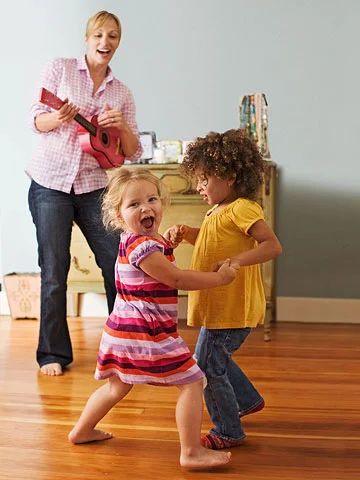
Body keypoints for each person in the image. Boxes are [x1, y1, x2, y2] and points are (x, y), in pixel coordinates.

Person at [68, 168, 237, 468]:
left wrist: (170, 241)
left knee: (117, 386)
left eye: (152, 199)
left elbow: (157, 264)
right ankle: (191, 452)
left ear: (162, 203)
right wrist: (219, 279)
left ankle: (81, 431)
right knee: (193, 382)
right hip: (146, 332)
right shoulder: (143, 246)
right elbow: (176, 279)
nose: (146, 207)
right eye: (134, 205)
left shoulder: (137, 239)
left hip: (122, 330)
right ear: (119, 216)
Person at [27, 11, 142, 376]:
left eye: (112, 37)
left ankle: (122, 346)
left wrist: (120, 125)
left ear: (118, 43)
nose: (105, 43)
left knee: (117, 263)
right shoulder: (59, 70)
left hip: (95, 187)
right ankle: (52, 354)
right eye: (99, 35)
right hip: (50, 183)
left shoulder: (121, 92)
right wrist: (58, 118)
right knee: (54, 270)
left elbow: (132, 150)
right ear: (87, 38)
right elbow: (35, 119)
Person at [164, 129, 282, 449]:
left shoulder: (242, 207)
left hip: (232, 308)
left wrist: (237, 260)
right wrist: (188, 232)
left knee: (205, 365)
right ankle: (246, 400)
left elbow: (271, 246)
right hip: (218, 306)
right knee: (214, 359)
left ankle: (228, 430)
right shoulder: (219, 210)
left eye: (204, 179)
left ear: (229, 176)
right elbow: (212, 238)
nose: (199, 186)